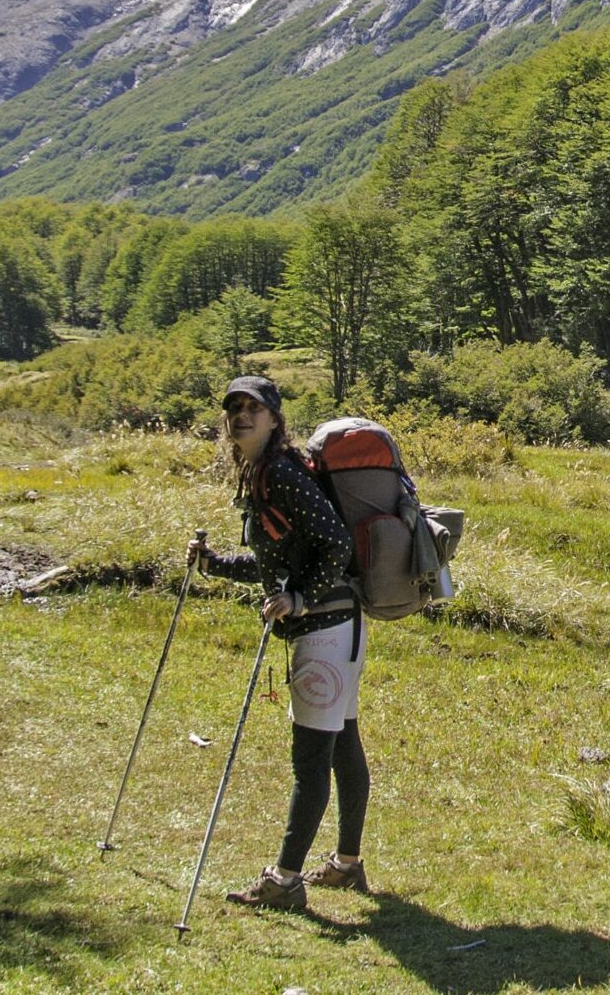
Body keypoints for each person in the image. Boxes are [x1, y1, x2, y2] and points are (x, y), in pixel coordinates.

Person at [188, 374, 372, 911]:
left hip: (325, 629)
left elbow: (336, 543)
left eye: (253, 408)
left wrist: (300, 599)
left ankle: (285, 881)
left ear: (274, 418)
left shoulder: (282, 474)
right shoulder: (265, 473)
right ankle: (347, 865)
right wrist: (217, 565)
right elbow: (279, 561)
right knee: (342, 745)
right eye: (234, 408)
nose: (241, 416)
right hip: (338, 624)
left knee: (311, 759)